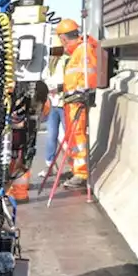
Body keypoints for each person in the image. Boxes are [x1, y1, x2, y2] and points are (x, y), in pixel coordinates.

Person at [54, 18, 99, 190]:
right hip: (72, 101)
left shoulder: (84, 50)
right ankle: (76, 169)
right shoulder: (78, 52)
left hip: (78, 102)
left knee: (78, 136)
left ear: (63, 38)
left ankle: (81, 173)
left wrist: (80, 94)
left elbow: (88, 76)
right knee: (73, 136)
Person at [39, 51, 67, 179]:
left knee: (69, 135)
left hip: (65, 103)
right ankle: (49, 165)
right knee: (51, 136)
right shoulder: (47, 64)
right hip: (52, 104)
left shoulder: (66, 60)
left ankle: (76, 167)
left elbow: (71, 81)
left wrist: (59, 89)